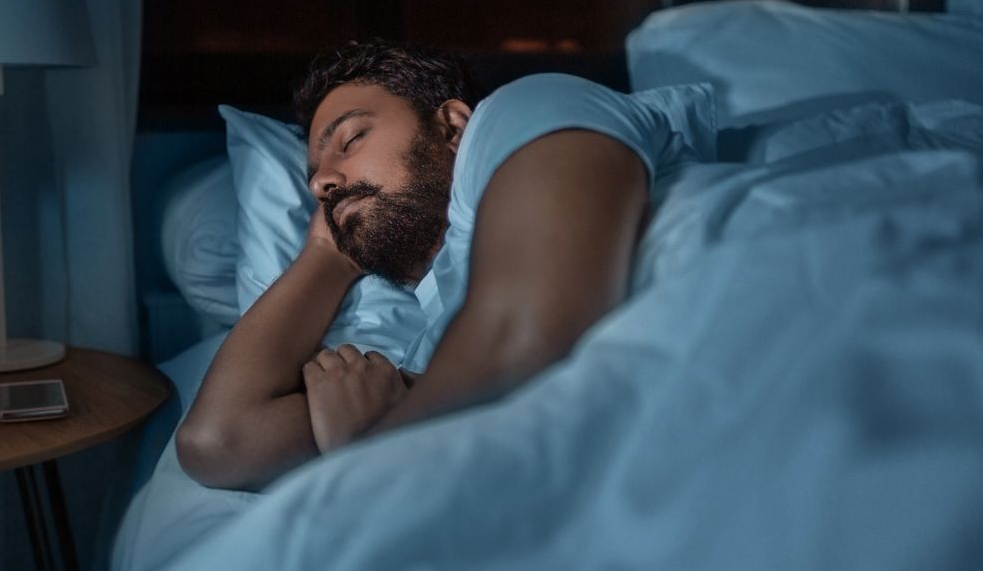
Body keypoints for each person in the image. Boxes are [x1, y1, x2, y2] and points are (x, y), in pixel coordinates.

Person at [176, 39, 707, 490]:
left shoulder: (523, 111)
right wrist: (324, 258)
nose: (321, 183)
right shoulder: (433, 340)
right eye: (315, 176)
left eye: (351, 138)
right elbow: (217, 440)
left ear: (452, 125)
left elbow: (529, 339)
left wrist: (367, 450)